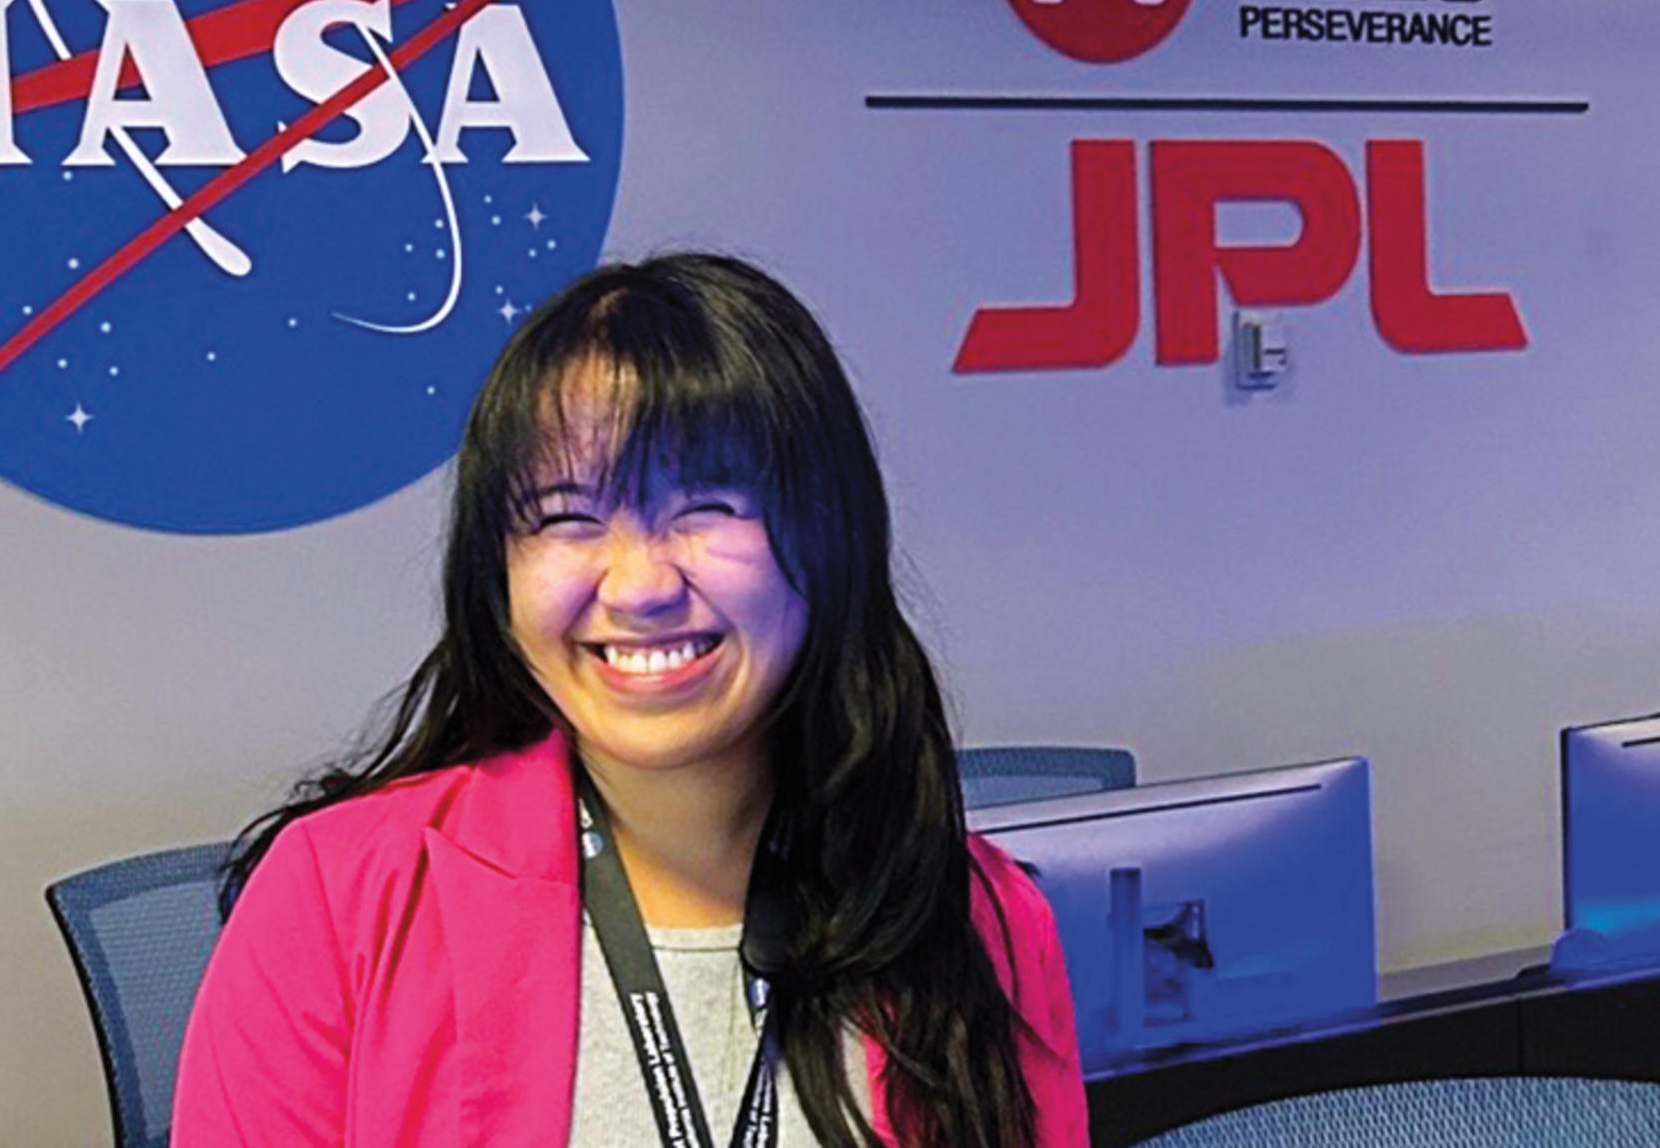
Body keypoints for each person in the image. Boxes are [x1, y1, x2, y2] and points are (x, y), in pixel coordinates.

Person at [173, 253, 1085, 1147]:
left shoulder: (974, 916)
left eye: (706, 506)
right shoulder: (339, 897)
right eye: (566, 517)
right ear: (499, 573)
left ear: (828, 535)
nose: (639, 585)